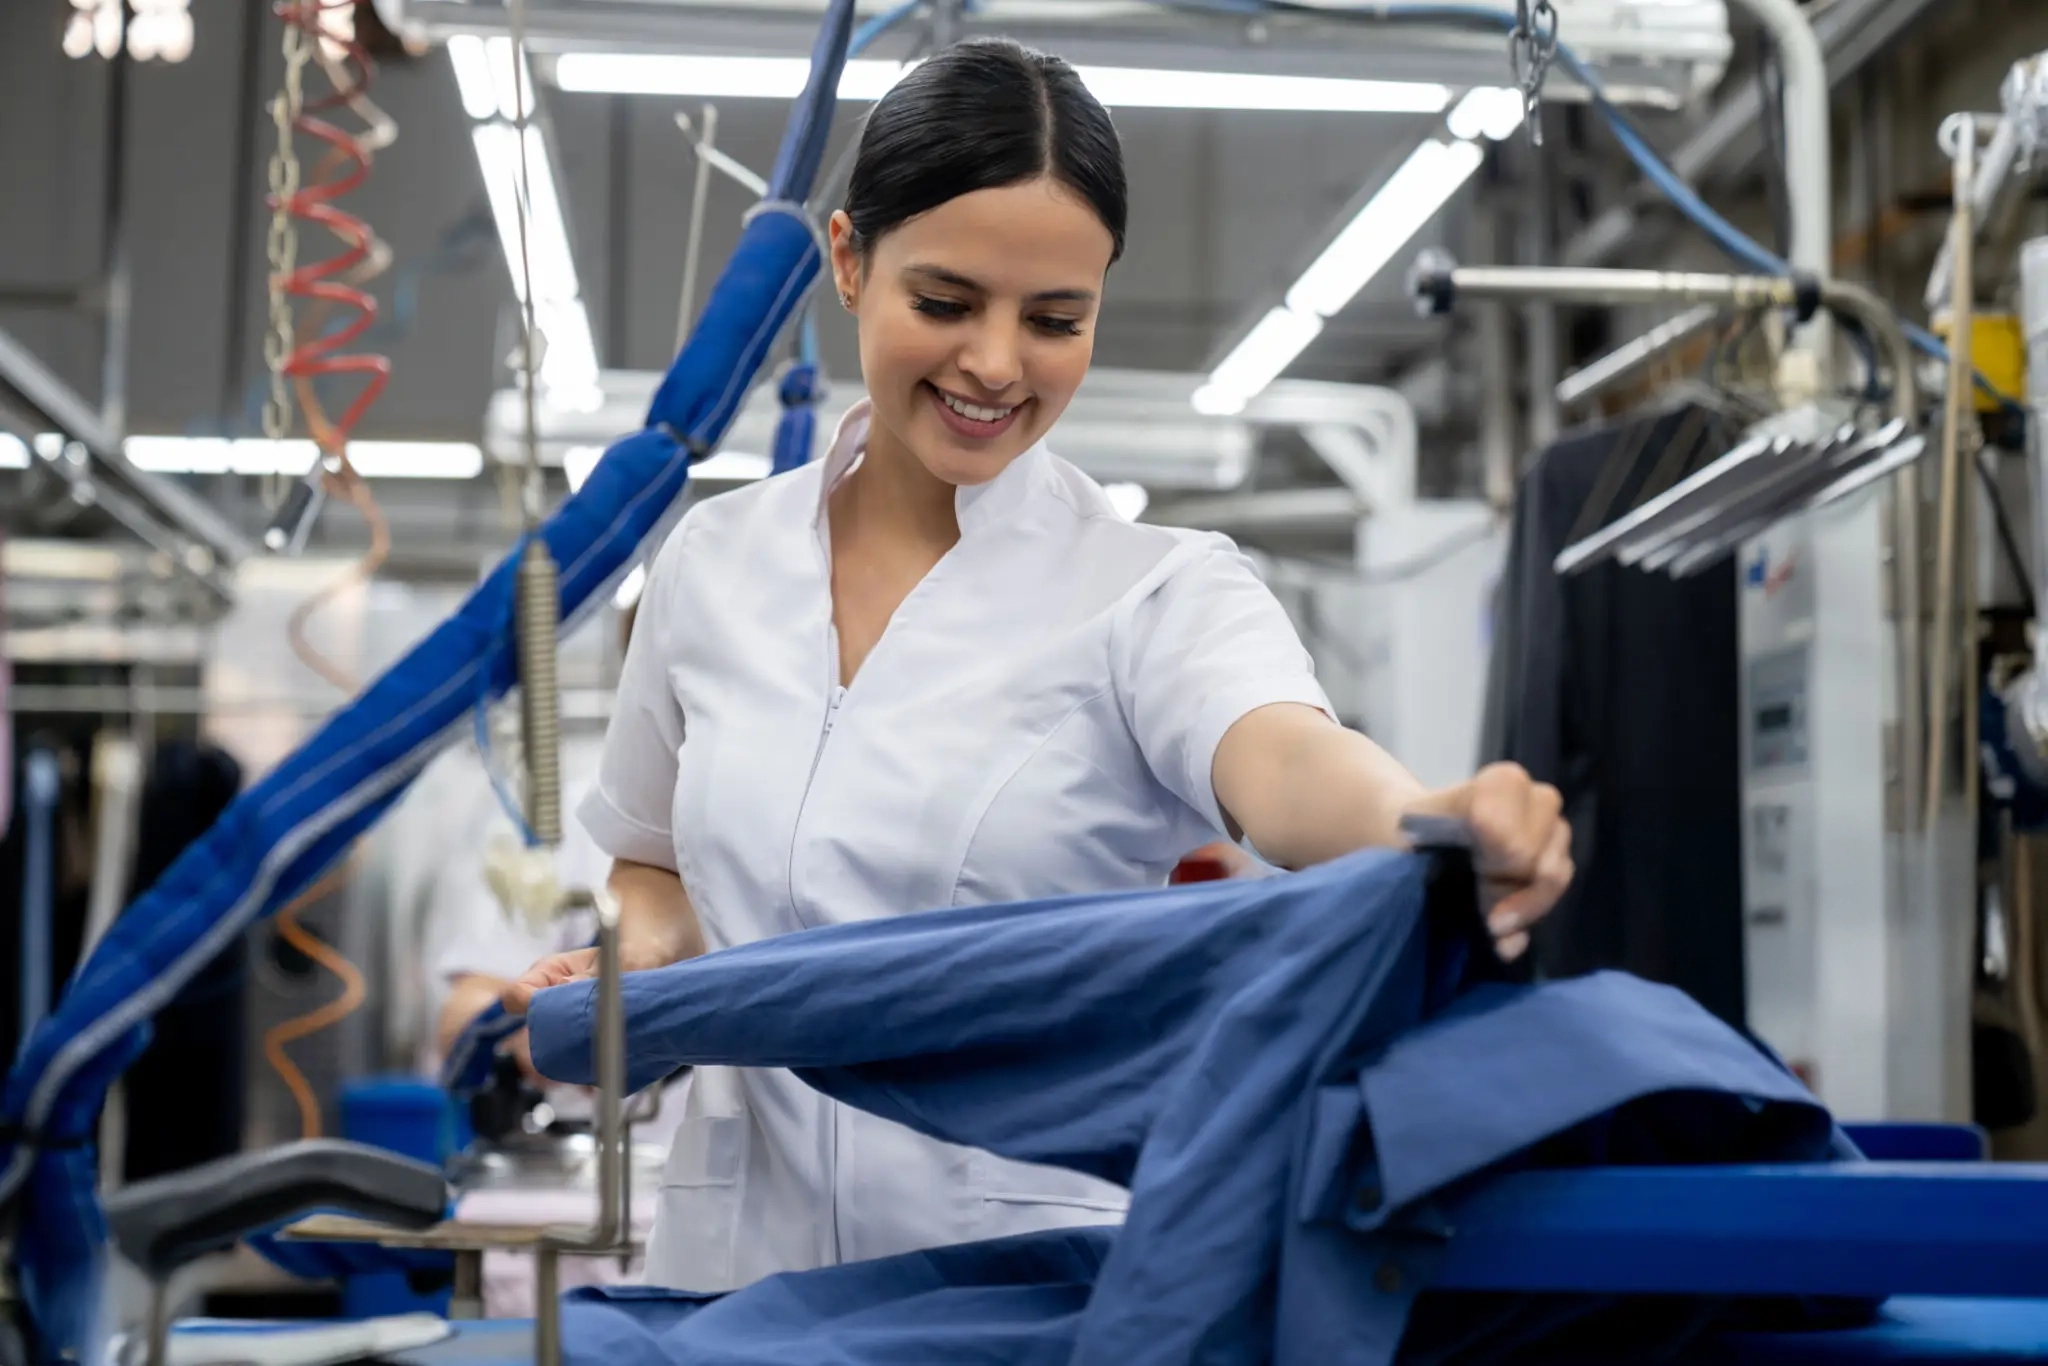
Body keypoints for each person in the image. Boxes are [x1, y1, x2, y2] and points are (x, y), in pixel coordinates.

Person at [504, 38, 1572, 1294]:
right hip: (735, 1275)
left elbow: (1282, 762)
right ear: (848, 262)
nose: (996, 364)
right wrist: (623, 973)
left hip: (1012, 1285)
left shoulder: (1150, 591)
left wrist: (1419, 821)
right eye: (945, 303)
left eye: (1054, 318)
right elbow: (660, 869)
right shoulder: (711, 568)